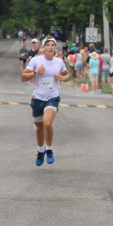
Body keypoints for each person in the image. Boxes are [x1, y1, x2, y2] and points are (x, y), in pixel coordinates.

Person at [21, 36, 70, 166]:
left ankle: (49, 149)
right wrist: (36, 73)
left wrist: (62, 78)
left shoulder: (59, 62)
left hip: (52, 97)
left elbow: (67, 75)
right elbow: (23, 77)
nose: (50, 47)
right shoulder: (36, 60)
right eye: (47, 45)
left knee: (47, 123)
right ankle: (40, 150)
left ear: (55, 48)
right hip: (38, 98)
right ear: (43, 47)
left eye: (52, 45)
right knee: (39, 127)